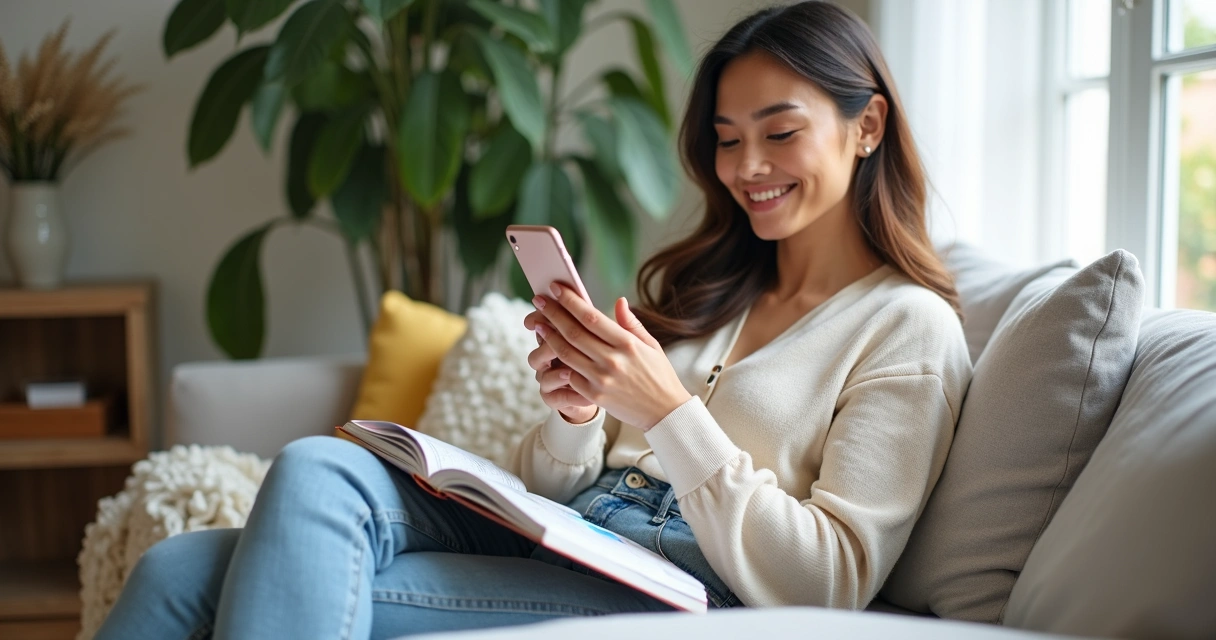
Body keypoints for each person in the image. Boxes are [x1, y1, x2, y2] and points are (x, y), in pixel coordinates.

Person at [96, 2, 972, 638]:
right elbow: (553, 486)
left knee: (230, 579)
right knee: (308, 472)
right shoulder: (716, 291)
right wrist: (577, 418)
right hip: (573, 534)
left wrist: (669, 412)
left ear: (868, 129)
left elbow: (832, 580)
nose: (747, 166)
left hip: (679, 584)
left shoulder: (909, 327)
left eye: (780, 133)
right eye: (727, 137)